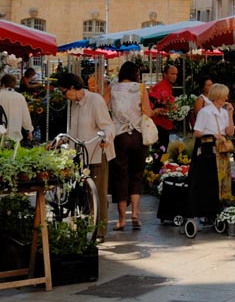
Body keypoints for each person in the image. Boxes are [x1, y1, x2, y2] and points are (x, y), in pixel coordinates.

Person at [56, 72, 115, 242]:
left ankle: (100, 231)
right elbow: (73, 130)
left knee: (99, 193)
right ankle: (81, 226)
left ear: (73, 88)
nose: (63, 95)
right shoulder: (75, 104)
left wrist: (105, 138)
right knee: (80, 192)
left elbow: (108, 126)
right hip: (80, 155)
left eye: (64, 91)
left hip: (96, 152)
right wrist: (62, 140)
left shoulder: (95, 101)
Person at [108, 61, 154, 231]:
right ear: (135, 74)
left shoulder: (113, 88)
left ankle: (121, 220)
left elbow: (105, 106)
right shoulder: (141, 88)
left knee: (120, 175)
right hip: (138, 135)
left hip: (119, 135)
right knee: (137, 174)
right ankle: (135, 213)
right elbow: (148, 112)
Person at [193, 83, 235, 201]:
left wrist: (230, 115)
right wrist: (212, 135)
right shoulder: (205, 112)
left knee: (224, 174)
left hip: (222, 147)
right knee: (212, 176)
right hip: (209, 147)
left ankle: (223, 198)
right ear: (217, 97)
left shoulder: (224, 112)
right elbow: (196, 132)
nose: (226, 99)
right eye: (224, 96)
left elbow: (230, 132)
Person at [148, 64, 178, 172]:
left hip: (165, 124)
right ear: (165, 74)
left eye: (176, 74)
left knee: (162, 149)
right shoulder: (160, 87)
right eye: (172, 74)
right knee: (160, 150)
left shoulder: (167, 86)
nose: (175, 76)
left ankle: (158, 171)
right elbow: (153, 107)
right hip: (160, 125)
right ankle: (155, 172)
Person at [0, 74, 33, 142]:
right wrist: (29, 131)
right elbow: (25, 116)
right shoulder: (20, 97)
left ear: (2, 83)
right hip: (15, 134)